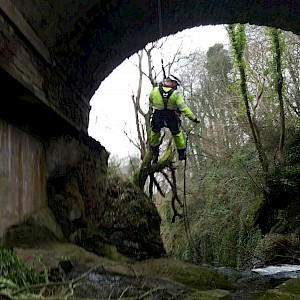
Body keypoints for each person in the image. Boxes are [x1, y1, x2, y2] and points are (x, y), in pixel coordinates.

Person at [149, 73, 200, 161]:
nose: (176, 87)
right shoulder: (175, 94)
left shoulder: (155, 90)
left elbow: (150, 100)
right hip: (171, 116)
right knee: (177, 134)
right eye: (176, 84)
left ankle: (154, 152)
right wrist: (194, 118)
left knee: (155, 132)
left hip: (157, 115)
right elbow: (184, 108)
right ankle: (181, 154)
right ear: (173, 82)